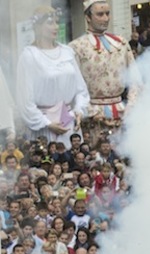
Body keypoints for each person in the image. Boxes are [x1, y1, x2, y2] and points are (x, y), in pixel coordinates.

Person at [69, 0, 140, 147]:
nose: (106, 18)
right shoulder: (76, 47)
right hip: (91, 117)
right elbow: (71, 88)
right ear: (88, 17)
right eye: (100, 14)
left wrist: (130, 107)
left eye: (107, 13)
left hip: (122, 113)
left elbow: (136, 79)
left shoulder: (121, 42)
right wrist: (89, 111)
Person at [16, 7, 89, 145]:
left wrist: (78, 110)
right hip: (45, 126)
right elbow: (25, 100)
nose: (55, 27)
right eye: (50, 23)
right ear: (38, 26)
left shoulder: (67, 52)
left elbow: (81, 90)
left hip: (69, 121)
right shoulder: (30, 56)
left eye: (56, 22)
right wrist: (47, 123)